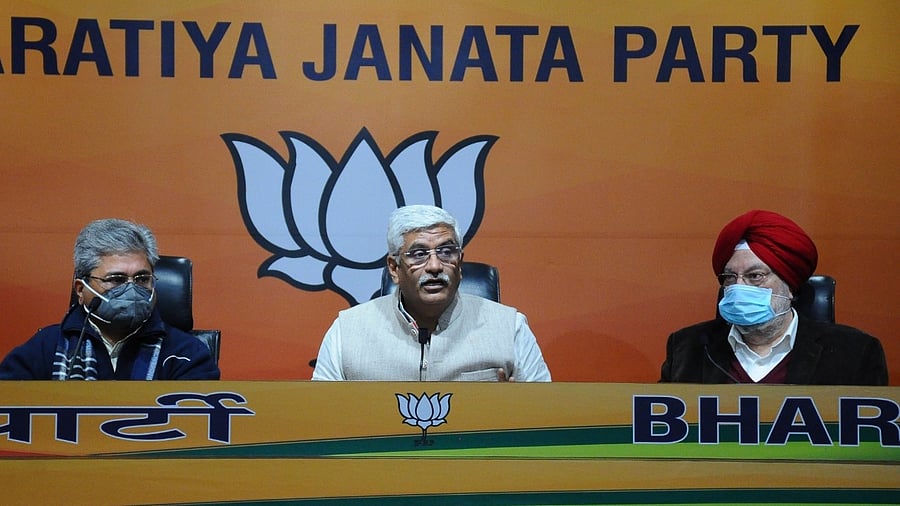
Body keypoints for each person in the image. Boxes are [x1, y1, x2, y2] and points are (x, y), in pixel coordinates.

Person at [313, 205, 551, 381]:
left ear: (460, 263)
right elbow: (321, 417)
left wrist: (515, 407)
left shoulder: (510, 328)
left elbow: (545, 418)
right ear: (394, 268)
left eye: (446, 252)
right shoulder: (347, 331)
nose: (435, 266)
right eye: (418, 254)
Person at [660, 209, 887, 385]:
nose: (739, 287)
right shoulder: (687, 348)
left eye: (755, 276)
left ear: (790, 286)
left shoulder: (856, 353)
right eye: (729, 277)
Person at [0, 218, 220, 380]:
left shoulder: (186, 353)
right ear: (81, 290)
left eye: (142, 279)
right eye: (116, 279)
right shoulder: (47, 347)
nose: (131, 289)